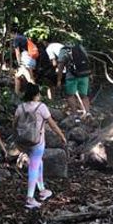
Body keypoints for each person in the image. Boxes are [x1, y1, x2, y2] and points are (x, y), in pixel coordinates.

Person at [14, 81, 67, 209]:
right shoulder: (41, 107)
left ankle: (42, 190)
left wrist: (17, 138)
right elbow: (52, 124)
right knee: (34, 166)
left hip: (23, 141)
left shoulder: (20, 107)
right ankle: (30, 198)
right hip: (37, 141)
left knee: (39, 163)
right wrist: (61, 136)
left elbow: (14, 124)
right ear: (36, 94)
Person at [62, 40, 92, 115]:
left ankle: (75, 115)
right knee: (84, 95)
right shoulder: (81, 48)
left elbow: (60, 64)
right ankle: (88, 113)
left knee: (70, 95)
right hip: (84, 74)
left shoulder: (64, 50)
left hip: (72, 76)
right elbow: (87, 60)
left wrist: (59, 79)